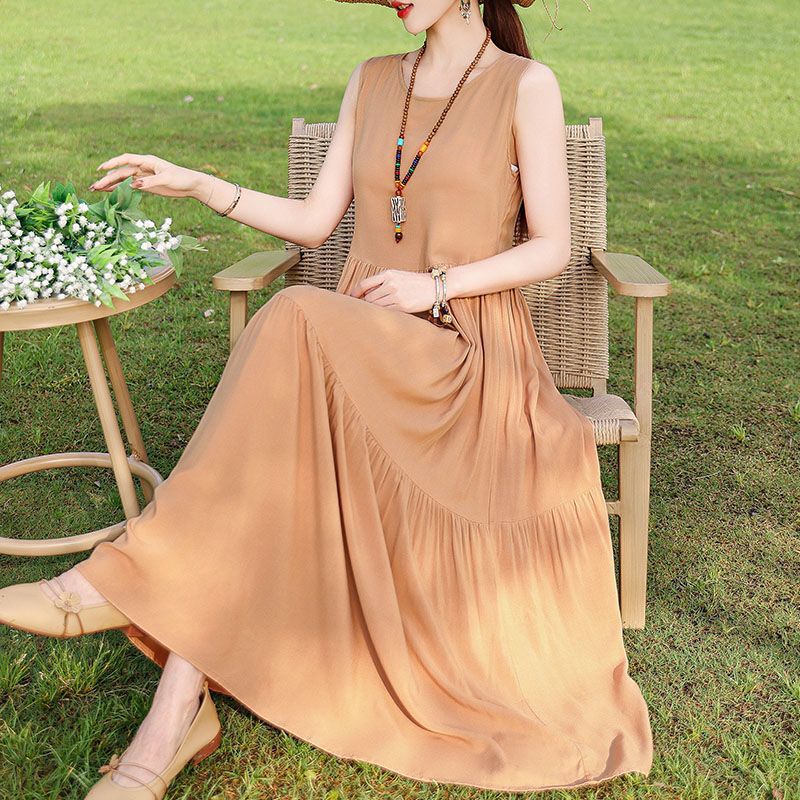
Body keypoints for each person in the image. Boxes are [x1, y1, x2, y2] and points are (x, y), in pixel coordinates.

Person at [0, 0, 655, 797]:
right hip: (355, 348)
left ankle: (123, 594)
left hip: (464, 354)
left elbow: (552, 245)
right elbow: (315, 222)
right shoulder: (373, 80)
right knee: (297, 340)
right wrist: (199, 184)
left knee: (295, 319)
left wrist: (434, 285)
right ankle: (173, 713)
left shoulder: (526, 85)